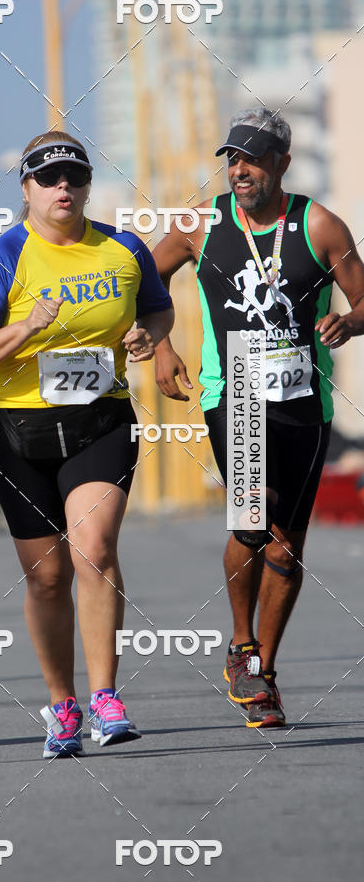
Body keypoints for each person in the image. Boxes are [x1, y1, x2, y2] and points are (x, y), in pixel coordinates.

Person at [0, 131, 174, 757]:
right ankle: (63, 704)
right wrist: (24, 326)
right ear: (26, 190)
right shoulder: (3, 259)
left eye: (74, 177)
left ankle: (106, 697)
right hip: (18, 432)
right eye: (48, 179)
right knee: (47, 577)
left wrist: (146, 337)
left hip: (99, 423)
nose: (63, 189)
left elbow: (159, 309)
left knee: (94, 548)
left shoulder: (124, 249)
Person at [152, 107, 364, 728]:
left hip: (305, 401)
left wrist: (350, 320)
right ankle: (241, 644)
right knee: (253, 515)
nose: (238, 170)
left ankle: (262, 675)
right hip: (234, 391)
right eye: (231, 158)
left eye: (251, 158)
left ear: (282, 163)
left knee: (289, 546)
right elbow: (145, 282)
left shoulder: (318, 225)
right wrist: (162, 345)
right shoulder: (200, 224)